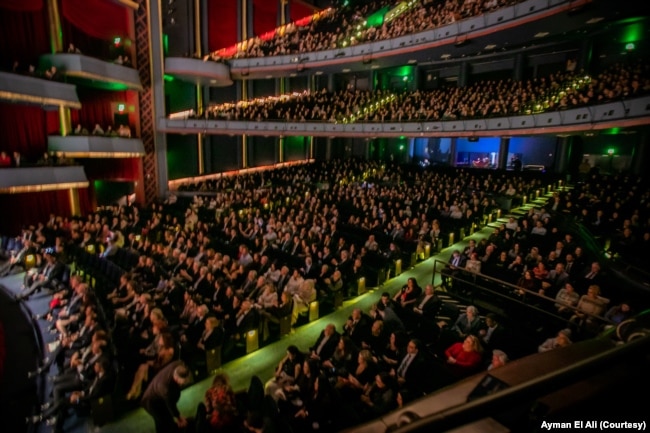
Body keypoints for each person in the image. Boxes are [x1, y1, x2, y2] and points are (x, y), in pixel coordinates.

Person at [141, 360, 192, 433]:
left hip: (159, 396)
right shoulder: (166, 387)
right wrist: (179, 418)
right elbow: (171, 405)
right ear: (177, 379)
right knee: (165, 422)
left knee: (163, 422)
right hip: (150, 401)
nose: (185, 383)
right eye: (183, 382)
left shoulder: (179, 364)